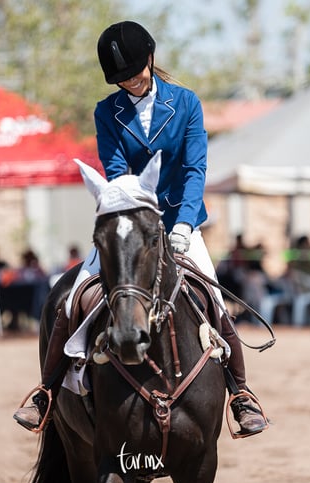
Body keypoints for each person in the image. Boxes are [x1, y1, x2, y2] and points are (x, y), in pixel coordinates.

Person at [14, 20, 268, 438]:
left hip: (180, 223)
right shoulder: (106, 112)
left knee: (215, 302)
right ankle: (45, 391)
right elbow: (116, 171)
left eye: (135, 72)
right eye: (122, 79)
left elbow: (194, 169)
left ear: (150, 58)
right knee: (74, 295)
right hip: (128, 225)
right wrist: (131, 223)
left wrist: (184, 224)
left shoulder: (186, 103)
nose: (130, 82)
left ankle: (241, 394)